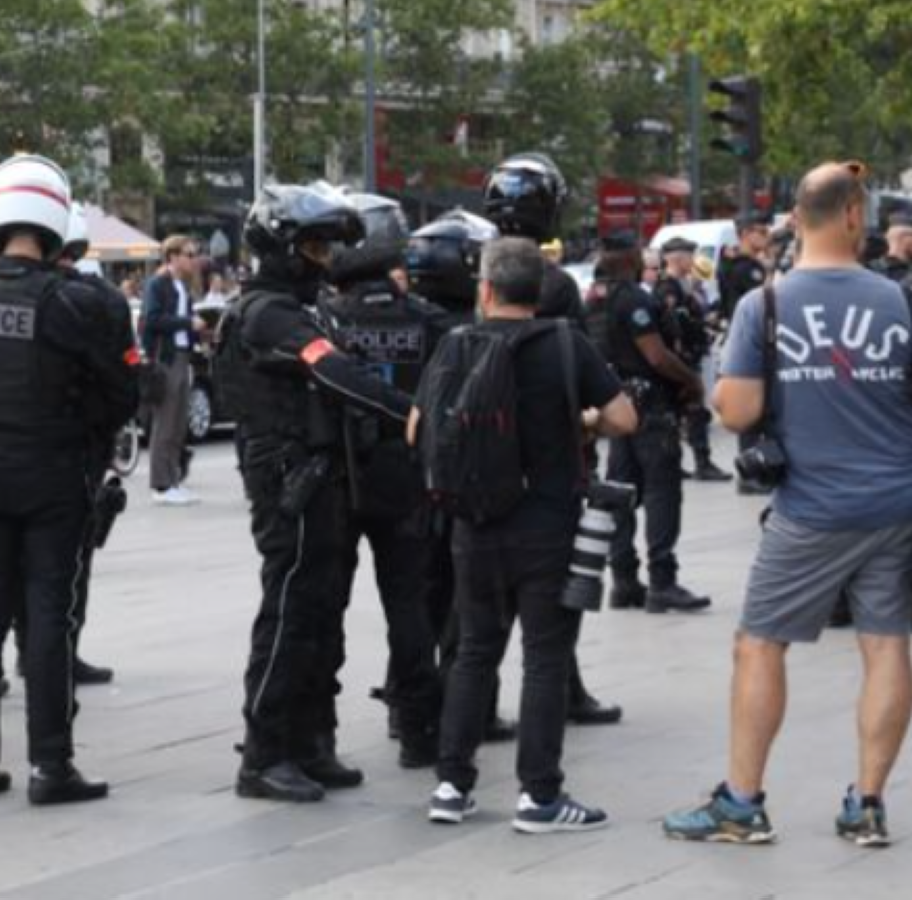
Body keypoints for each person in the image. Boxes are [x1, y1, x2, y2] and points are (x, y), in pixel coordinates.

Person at [664, 161, 912, 848]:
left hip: (812, 506)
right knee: (887, 642)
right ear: (852, 216)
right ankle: (867, 804)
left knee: (759, 644)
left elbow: (739, 408)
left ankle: (742, 804)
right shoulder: (907, 303)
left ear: (798, 220)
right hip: (899, 501)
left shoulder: (765, 306)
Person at [419, 237, 638, 834]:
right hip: (547, 526)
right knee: (544, 657)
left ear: (485, 290)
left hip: (473, 525)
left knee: (473, 654)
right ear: (538, 292)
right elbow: (624, 418)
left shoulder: (456, 345)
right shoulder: (565, 344)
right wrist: (582, 419)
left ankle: (451, 785)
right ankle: (539, 797)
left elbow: (419, 427)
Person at [0, 154, 137, 806]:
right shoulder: (67, 302)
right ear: (55, 218)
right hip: (52, 472)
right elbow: (120, 391)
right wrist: (87, 435)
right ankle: (51, 766)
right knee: (49, 616)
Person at [222, 184, 411, 803]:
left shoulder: (309, 307)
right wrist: (408, 412)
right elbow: (331, 370)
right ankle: (264, 754)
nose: (326, 257)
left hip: (324, 473)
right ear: (283, 247)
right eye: (315, 245)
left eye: (329, 245)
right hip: (288, 479)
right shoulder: (265, 312)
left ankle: (311, 741)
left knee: (323, 612)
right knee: (289, 613)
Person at [321, 192, 449, 770]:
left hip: (340, 476)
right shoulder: (429, 323)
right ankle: (418, 729)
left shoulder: (325, 321)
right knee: (412, 609)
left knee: (327, 609)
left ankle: (319, 736)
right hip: (407, 477)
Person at [586, 234, 710, 613]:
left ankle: (624, 581)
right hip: (651, 407)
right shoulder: (634, 299)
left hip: (618, 404)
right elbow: (656, 356)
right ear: (629, 257)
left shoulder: (595, 300)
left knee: (622, 492)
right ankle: (662, 582)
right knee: (661, 492)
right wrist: (691, 379)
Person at [55, 204, 136, 687]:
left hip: (0, 450)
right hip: (79, 446)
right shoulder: (102, 299)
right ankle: (62, 649)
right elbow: (124, 377)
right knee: (71, 559)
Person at [657, 238, 731, 482]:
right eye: (690, 255)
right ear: (676, 258)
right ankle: (701, 462)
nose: (693, 261)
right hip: (682, 359)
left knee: (683, 413)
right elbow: (672, 325)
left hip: (690, 354)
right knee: (692, 411)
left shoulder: (682, 285)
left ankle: (678, 464)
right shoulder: (668, 287)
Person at [141, 236, 203, 505]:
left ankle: (173, 481)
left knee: (178, 424)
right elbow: (152, 319)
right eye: (189, 254)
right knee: (165, 424)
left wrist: (201, 334)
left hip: (182, 356)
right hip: (165, 360)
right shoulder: (158, 284)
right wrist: (187, 322)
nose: (194, 259)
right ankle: (161, 485)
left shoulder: (182, 286)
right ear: (173, 256)